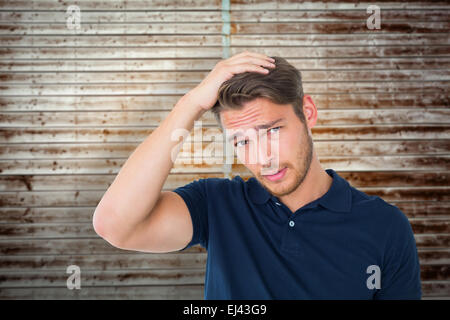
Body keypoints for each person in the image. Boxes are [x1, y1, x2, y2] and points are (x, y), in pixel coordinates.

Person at [93, 51, 422, 299]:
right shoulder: (217, 204)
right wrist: (191, 103)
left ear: (307, 113)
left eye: (273, 130)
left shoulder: (385, 227)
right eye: (242, 141)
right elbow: (115, 225)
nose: (263, 158)